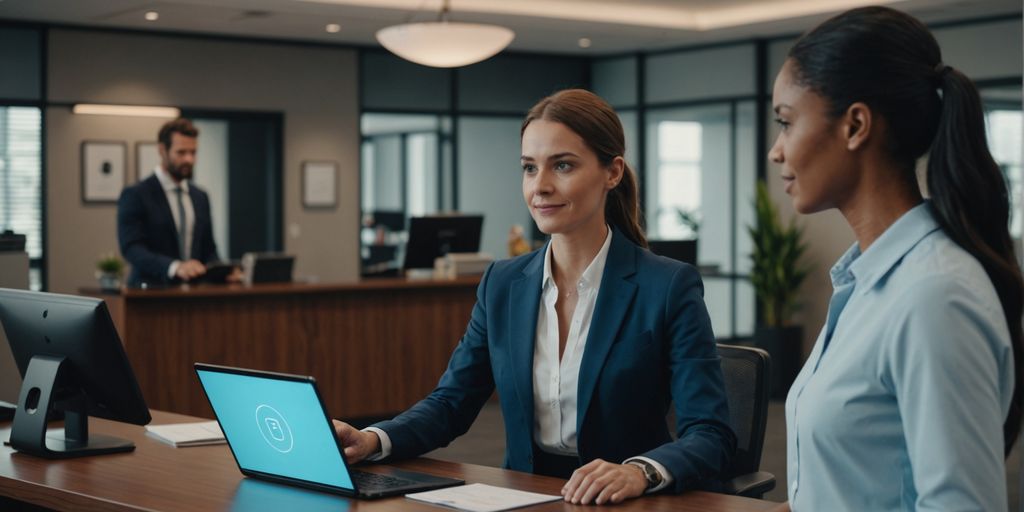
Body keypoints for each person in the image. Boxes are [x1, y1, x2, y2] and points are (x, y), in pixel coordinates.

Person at [333, 89, 735, 505]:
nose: (540, 186)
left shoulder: (667, 286)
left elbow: (711, 434)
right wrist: (371, 439)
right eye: (529, 167)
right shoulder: (502, 283)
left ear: (612, 172)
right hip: (524, 497)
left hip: (626, 501)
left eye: (562, 165)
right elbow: (451, 403)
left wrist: (640, 471)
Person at [768, 6, 1022, 511]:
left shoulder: (935, 296)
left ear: (856, 125)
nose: (777, 151)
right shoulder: (867, 280)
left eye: (786, 122)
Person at [117, 118, 224, 286]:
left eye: (193, 152)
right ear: (162, 150)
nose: (189, 159)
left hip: (193, 295)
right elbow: (132, 248)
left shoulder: (200, 196)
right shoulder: (136, 194)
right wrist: (174, 267)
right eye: (181, 152)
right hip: (149, 294)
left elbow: (208, 249)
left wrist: (223, 272)